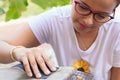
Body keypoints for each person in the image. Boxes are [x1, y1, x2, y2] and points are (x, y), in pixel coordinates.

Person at [0, 0, 120, 79]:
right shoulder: (55, 20)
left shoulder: (116, 30)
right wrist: (17, 51)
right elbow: (3, 44)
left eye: (101, 16)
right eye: (83, 8)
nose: (88, 21)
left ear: (113, 12)